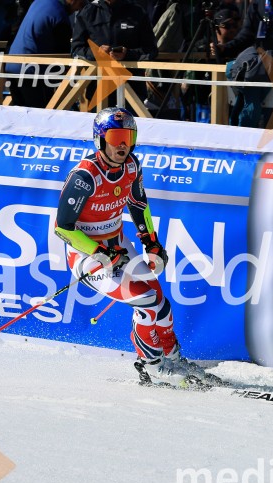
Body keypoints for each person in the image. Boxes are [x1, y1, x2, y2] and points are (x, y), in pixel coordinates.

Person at [54, 107, 205, 387]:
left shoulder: (132, 166)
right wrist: (99, 253)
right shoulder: (85, 177)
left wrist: (151, 243)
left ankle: (172, 358)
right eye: (116, 136)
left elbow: (138, 204)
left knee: (160, 301)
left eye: (128, 136)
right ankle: (154, 367)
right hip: (88, 257)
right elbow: (63, 228)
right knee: (146, 302)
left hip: (119, 245)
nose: (123, 144)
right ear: (100, 139)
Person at [5, 0, 85, 108]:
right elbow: (62, 54)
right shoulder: (60, 15)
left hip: (12, 65)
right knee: (41, 115)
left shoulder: (39, 2)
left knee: (21, 115)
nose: (78, 9)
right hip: (32, 70)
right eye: (80, 4)